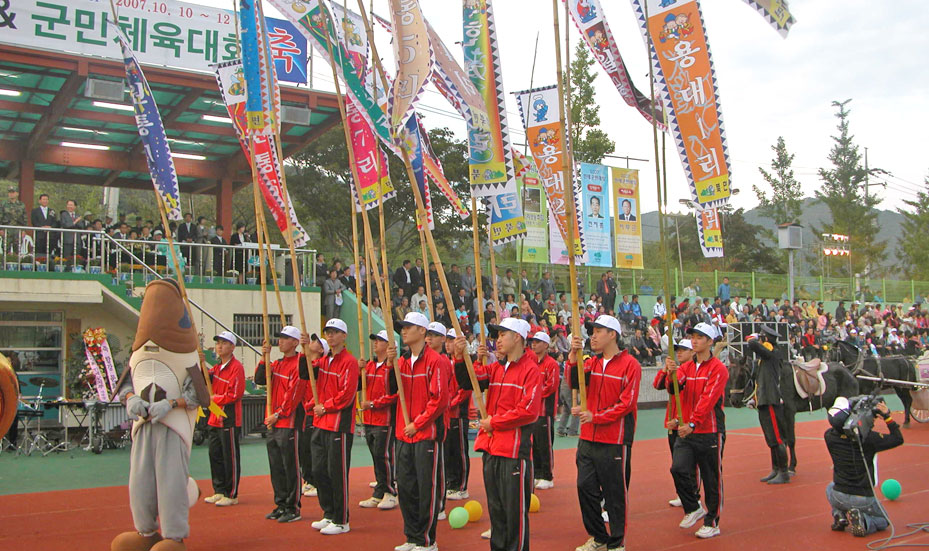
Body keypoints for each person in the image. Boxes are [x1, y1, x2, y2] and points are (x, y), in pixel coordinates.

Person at [111, 279, 208, 551]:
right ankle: (145, 531)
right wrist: (130, 399)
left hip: (172, 427)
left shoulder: (187, 357)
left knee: (171, 482)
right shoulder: (137, 355)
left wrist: (172, 404)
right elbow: (126, 384)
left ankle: (174, 536)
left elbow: (199, 395)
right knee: (140, 481)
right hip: (144, 426)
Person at [453, 317, 540, 551]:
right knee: (497, 510)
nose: (497, 340)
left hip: (513, 451)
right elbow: (469, 380)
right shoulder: (496, 368)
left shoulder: (531, 371)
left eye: (503, 335)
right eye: (497, 335)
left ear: (518, 338)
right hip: (491, 447)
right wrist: (460, 357)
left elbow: (528, 411)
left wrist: (495, 422)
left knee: (514, 514)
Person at [567, 315, 641, 551]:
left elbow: (626, 403)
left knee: (614, 493)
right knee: (584, 487)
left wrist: (596, 416)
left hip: (614, 440)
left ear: (613, 334)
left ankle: (617, 542)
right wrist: (571, 359)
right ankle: (598, 536)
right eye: (592, 331)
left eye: (598, 331)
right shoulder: (590, 363)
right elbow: (575, 384)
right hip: (587, 438)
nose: (593, 336)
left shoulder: (631, 365)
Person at [388, 312, 450, 551]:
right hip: (404, 433)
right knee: (406, 487)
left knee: (427, 489)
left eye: (409, 327)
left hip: (425, 435)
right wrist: (389, 365)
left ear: (423, 331)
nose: (404, 331)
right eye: (402, 327)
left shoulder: (436, 361)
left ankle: (427, 540)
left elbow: (439, 400)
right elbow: (393, 390)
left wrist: (419, 423)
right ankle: (412, 536)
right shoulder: (402, 361)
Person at [665, 322, 728, 539]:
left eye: (700, 337)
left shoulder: (718, 369)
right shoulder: (686, 367)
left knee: (712, 477)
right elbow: (674, 389)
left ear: (710, 342)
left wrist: (691, 424)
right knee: (678, 468)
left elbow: (707, 400)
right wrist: (670, 373)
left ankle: (713, 521)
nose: (694, 340)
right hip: (687, 430)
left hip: (708, 430)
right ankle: (693, 507)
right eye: (693, 336)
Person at [302, 319, 358, 535]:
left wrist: (325, 407)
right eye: (328, 332)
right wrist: (305, 350)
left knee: (337, 472)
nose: (331, 336)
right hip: (320, 424)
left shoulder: (349, 362)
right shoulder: (324, 361)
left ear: (344, 336)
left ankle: (341, 519)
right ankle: (328, 513)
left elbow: (347, 395)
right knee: (318, 470)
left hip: (338, 426)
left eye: (335, 332)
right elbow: (305, 372)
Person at [824, 397, 903, 536]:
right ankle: (864, 522)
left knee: (829, 487)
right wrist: (887, 416)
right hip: (863, 498)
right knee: (883, 521)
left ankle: (840, 515)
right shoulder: (869, 439)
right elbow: (898, 438)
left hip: (838, 495)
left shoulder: (829, 436)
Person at [254, 325, 307, 524]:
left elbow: (294, 394)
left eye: (285, 338)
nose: (280, 341)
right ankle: (281, 503)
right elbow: (260, 379)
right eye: (280, 338)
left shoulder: (299, 364)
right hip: (274, 423)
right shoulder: (277, 364)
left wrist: (279, 414)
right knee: (276, 466)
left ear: (294, 342)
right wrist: (263, 358)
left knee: (289, 466)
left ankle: (292, 507)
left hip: (288, 423)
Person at [653, 339, 699, 508]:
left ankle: (694, 494)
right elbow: (657, 384)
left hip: (686, 423)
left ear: (692, 352)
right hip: (672, 424)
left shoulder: (694, 372)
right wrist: (665, 369)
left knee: (691, 464)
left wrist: (680, 420)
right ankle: (682, 493)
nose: (679, 353)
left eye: (683, 350)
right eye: (678, 350)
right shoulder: (676, 371)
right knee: (677, 462)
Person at [204, 331, 245, 507]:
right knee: (215, 454)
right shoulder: (216, 367)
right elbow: (206, 379)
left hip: (228, 418)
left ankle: (231, 493)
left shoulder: (236, 367)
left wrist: (215, 399)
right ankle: (218, 490)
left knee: (230, 457)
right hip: (214, 418)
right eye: (218, 343)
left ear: (232, 347)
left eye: (224, 343)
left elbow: (235, 394)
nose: (220, 346)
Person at [359, 330, 399, 510]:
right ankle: (379, 490)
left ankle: (391, 491)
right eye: (375, 340)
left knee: (384, 456)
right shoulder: (369, 365)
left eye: (380, 341)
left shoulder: (393, 367)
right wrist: (358, 369)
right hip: (369, 419)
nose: (376, 343)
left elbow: (394, 395)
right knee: (375, 456)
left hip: (384, 419)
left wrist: (374, 404)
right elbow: (359, 385)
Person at [746, 325, 791, 485]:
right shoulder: (765, 356)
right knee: (771, 438)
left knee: (777, 437)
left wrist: (754, 338)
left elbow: (751, 344)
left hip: (771, 399)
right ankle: (776, 469)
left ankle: (784, 472)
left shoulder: (773, 354)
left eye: (763, 337)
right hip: (764, 399)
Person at [443, 328, 472, 501]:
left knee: (459, 451)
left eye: (451, 340)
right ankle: (451, 482)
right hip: (447, 414)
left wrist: (451, 403)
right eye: (446, 340)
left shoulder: (464, 362)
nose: (448, 344)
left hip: (459, 414)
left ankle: (461, 486)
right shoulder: (446, 362)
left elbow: (466, 389)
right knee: (448, 451)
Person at [529, 330, 559, 490]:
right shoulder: (531, 363)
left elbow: (551, 386)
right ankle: (537, 473)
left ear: (546, 345)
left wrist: (534, 393)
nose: (534, 344)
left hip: (545, 411)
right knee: (534, 444)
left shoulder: (551, 364)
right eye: (533, 341)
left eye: (537, 341)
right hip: (532, 411)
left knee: (545, 444)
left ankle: (547, 475)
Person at [1, 185, 27, 254]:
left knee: (17, 250)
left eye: (13, 192)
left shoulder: (21, 205)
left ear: (17, 193)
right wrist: (0, 229)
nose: (11, 194)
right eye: (9, 192)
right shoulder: (3, 204)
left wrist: (24, 230)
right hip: (7, 230)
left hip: (18, 230)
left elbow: (24, 218)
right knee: (5, 249)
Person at [30, 193, 57, 257]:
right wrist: (42, 227)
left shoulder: (52, 211)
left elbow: (55, 222)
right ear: (40, 201)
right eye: (43, 199)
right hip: (39, 235)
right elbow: (34, 221)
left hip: (50, 236)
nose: (45, 201)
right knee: (39, 253)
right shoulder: (35, 211)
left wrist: (50, 227)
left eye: (46, 199)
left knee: (48, 253)